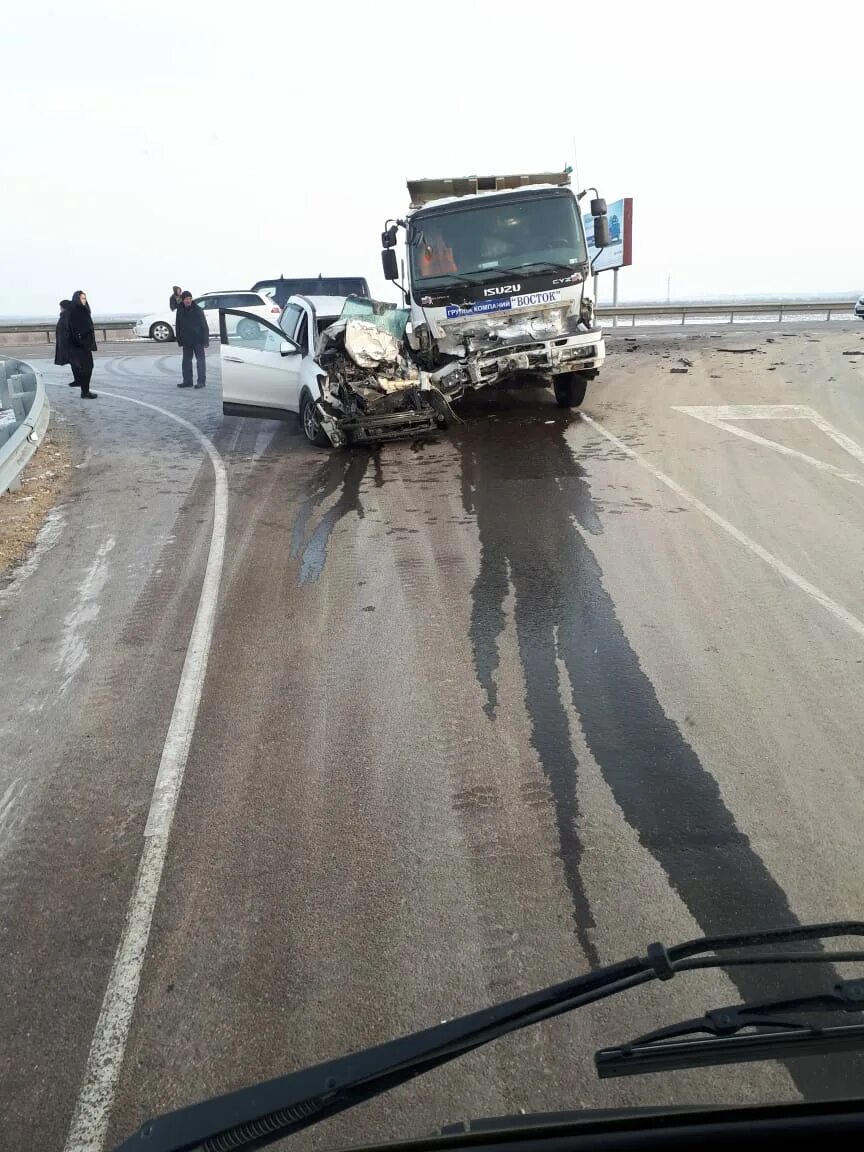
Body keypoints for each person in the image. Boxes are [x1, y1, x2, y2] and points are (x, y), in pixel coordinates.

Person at [67, 290, 98, 399]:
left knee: (88, 367)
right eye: (82, 298)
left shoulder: (84, 309)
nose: (84, 300)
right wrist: (81, 339)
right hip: (80, 345)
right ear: (77, 299)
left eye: (85, 298)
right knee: (87, 367)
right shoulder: (75, 311)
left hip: (85, 344)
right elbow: (74, 329)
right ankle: (85, 391)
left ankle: (85, 390)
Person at [175, 291, 209, 388]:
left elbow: (204, 326)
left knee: (200, 361)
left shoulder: (198, 310)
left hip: (198, 340)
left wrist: (205, 340)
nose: (188, 300)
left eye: (190, 298)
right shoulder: (180, 310)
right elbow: (178, 325)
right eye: (186, 299)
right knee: (186, 361)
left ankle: (201, 382)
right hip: (186, 341)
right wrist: (179, 339)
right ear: (183, 300)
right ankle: (187, 381)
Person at [54, 300, 75, 385]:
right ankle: (77, 380)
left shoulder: (67, 316)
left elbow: (67, 331)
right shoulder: (66, 316)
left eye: (61, 307)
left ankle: (79, 382)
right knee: (74, 363)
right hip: (67, 344)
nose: (60, 309)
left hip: (69, 345)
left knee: (75, 363)